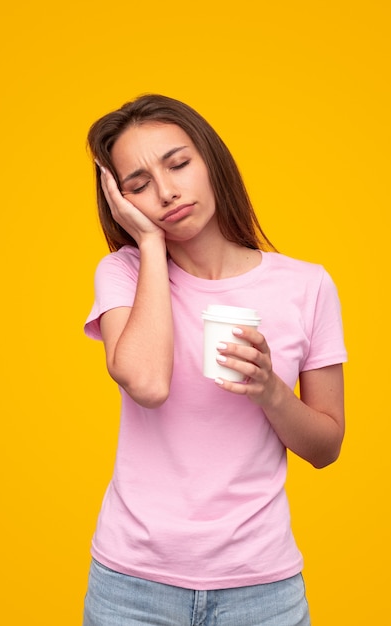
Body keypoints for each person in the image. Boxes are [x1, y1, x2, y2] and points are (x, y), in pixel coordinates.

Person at [82, 94, 347, 626]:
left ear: (211, 160)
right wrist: (151, 245)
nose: (166, 192)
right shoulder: (124, 275)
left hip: (262, 589)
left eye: (178, 164)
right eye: (138, 185)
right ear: (122, 203)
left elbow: (327, 447)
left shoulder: (307, 285)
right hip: (131, 587)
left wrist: (270, 389)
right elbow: (147, 384)